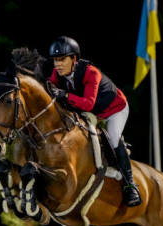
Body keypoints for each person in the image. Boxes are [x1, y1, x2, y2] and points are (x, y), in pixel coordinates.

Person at [47, 36, 142, 207]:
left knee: (113, 137)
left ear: (74, 59)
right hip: (90, 113)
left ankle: (130, 185)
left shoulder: (91, 73)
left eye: (62, 59)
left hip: (114, 109)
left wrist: (66, 95)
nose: (58, 65)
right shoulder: (56, 74)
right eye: (55, 60)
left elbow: (88, 103)